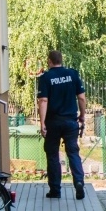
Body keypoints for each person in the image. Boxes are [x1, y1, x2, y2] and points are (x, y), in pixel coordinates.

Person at [37, 50, 87, 200]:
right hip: (71, 121)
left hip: (53, 122)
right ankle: (78, 181)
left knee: (52, 155)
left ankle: (55, 190)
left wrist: (42, 123)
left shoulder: (46, 77)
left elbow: (43, 101)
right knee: (73, 152)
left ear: (49, 61)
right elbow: (82, 98)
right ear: (61, 60)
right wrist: (82, 116)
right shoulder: (72, 74)